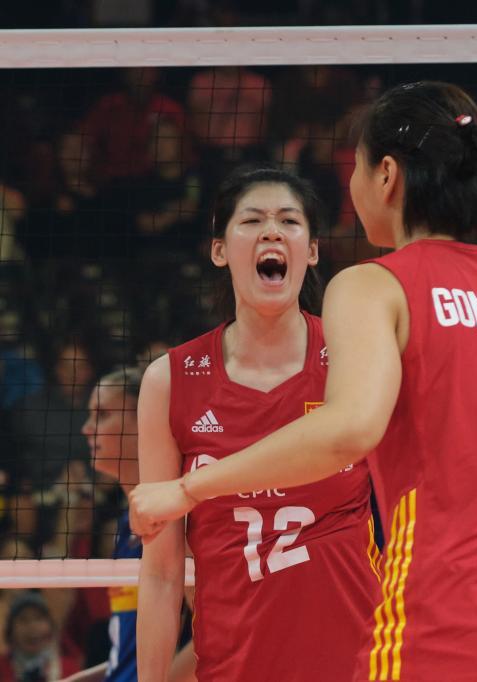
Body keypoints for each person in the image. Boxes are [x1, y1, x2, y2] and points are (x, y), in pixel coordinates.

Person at [130, 81, 477, 682]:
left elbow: (349, 429)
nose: (350, 185)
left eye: (355, 167)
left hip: (440, 635)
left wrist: (190, 489)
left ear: (386, 176)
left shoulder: (374, 285)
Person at [134, 167, 379, 680]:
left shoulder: (354, 362)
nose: (271, 231)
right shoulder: (169, 381)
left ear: (312, 251)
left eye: (289, 221)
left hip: (358, 663)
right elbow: (161, 575)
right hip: (233, 667)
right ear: (220, 251)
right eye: (252, 220)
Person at [60, 366, 196, 682]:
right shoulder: (127, 525)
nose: (87, 429)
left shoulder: (178, 517)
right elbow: (124, 659)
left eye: (102, 415)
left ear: (146, 420)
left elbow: (212, 635)